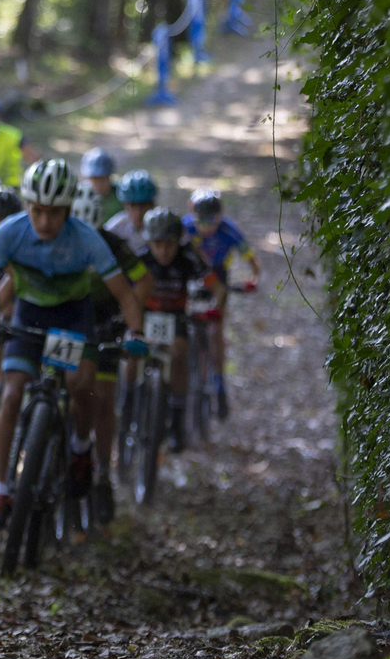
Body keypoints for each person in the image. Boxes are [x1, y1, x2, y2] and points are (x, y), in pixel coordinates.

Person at [0, 158, 148, 529]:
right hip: (29, 314)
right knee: (11, 394)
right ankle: (2, 490)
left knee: (81, 386)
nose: (44, 221)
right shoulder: (9, 232)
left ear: (68, 210)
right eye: (36, 211)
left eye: (54, 213)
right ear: (27, 206)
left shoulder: (86, 238)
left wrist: (136, 334)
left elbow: (126, 295)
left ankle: (81, 448)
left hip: (72, 317)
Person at [69, 181, 151, 523]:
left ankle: (103, 474)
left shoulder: (114, 244)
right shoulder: (55, 240)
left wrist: (126, 322)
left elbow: (143, 281)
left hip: (104, 324)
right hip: (67, 317)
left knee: (102, 399)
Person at [138, 208, 226, 449]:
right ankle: (130, 406)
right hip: (145, 316)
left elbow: (217, 288)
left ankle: (176, 422)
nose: (163, 251)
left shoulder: (189, 257)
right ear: (149, 241)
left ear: (179, 241)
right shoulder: (139, 257)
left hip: (176, 316)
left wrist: (214, 309)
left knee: (178, 355)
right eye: (157, 244)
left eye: (169, 245)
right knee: (132, 356)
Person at [182, 188, 261, 418]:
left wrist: (253, 279)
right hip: (191, 275)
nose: (207, 227)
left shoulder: (229, 231)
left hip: (219, 278)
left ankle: (218, 380)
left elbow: (251, 259)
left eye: (212, 221)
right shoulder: (184, 227)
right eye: (202, 221)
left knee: (216, 327)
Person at [105, 170, 157, 256]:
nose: (138, 212)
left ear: (152, 205)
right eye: (133, 205)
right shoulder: (114, 229)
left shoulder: (162, 228)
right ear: (125, 205)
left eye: (143, 205)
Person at [80, 148, 124, 223]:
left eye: (102, 178)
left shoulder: (120, 195)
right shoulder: (79, 195)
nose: (99, 184)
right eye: (95, 179)